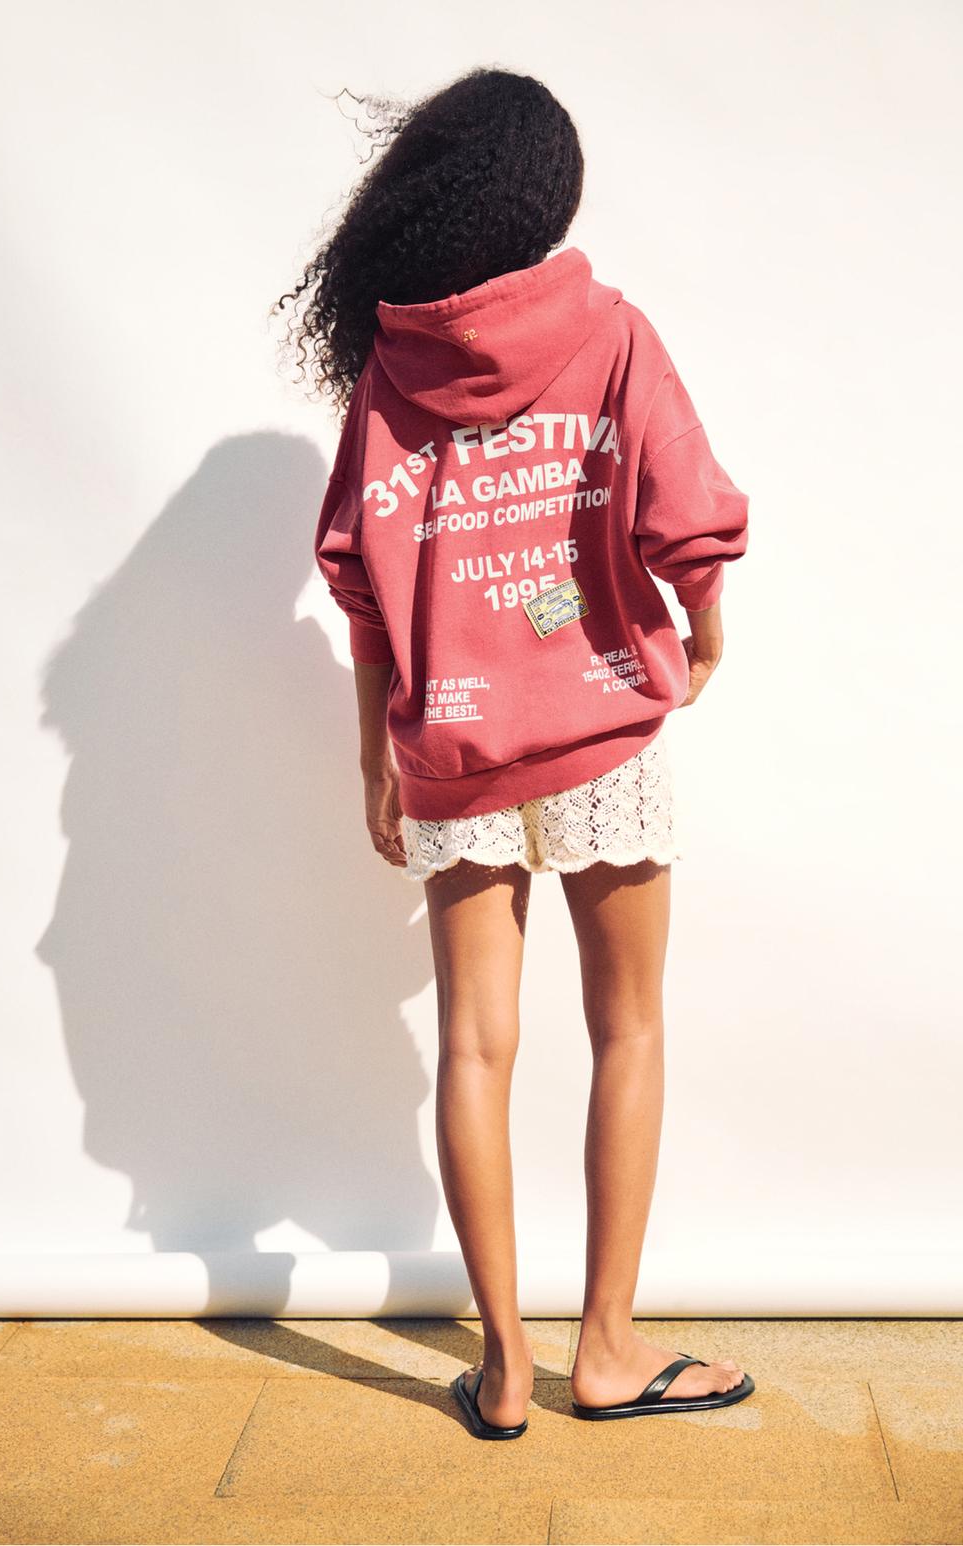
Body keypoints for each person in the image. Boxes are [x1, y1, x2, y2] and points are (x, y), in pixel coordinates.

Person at [274, 65, 754, 1440]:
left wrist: (374, 750)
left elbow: (359, 574)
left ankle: (502, 1368)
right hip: (602, 727)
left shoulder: (391, 374)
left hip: (456, 744)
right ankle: (606, 1350)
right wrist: (704, 632)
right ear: (545, 199)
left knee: (474, 1049)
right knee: (630, 1025)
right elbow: (684, 516)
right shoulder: (611, 335)